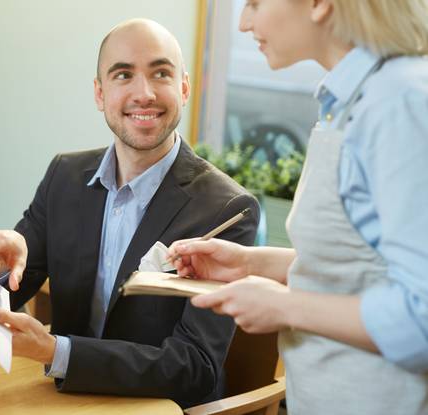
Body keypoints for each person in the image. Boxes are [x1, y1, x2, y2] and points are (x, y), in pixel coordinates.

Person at [0, 19, 259, 408]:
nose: (144, 93)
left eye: (161, 73)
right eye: (123, 75)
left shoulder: (228, 210)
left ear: (183, 88)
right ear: (100, 93)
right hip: (62, 399)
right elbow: (8, 295)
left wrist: (55, 352)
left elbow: (195, 367)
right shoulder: (63, 175)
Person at [167, 0, 428, 414]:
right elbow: (362, 268)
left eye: (254, 2)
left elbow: (421, 317)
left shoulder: (400, 102)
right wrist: (250, 264)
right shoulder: (349, 102)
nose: (244, 22)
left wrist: (284, 306)